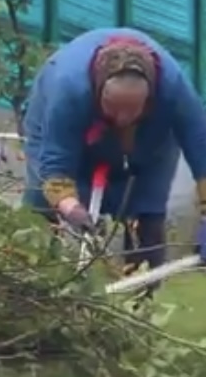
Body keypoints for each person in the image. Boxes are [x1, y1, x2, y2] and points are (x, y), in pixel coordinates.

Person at [21, 27, 206, 286]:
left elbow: (200, 148)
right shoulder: (69, 90)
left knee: (148, 210)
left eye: (131, 111)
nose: (122, 120)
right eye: (114, 109)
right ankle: (33, 280)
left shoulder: (173, 89)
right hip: (71, 124)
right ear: (99, 93)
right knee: (42, 201)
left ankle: (144, 291)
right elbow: (55, 164)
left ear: (148, 99)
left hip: (150, 134)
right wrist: (71, 207)